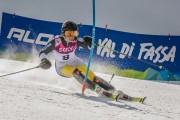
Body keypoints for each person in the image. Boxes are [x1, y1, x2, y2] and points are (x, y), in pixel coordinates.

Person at [39, 21, 144, 103]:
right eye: (68, 33)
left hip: (74, 61)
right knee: (76, 72)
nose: (71, 36)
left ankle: (113, 91)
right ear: (63, 33)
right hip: (62, 67)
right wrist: (44, 60)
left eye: (74, 33)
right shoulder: (56, 41)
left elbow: (89, 45)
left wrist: (90, 42)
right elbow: (42, 52)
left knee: (93, 77)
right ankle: (97, 90)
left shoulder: (76, 40)